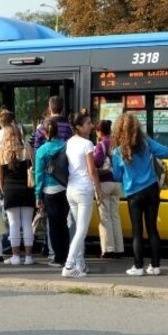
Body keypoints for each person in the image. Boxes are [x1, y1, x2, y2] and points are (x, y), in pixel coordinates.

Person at [110, 112, 168, 276]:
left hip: (133, 193)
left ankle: (138, 267)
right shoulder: (146, 143)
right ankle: (156, 266)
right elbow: (166, 151)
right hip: (152, 189)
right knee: (152, 228)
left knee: (137, 230)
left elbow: (116, 176)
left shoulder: (117, 152)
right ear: (137, 127)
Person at [62, 112, 99, 278]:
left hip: (71, 189)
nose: (91, 126)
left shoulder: (68, 142)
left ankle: (80, 264)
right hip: (84, 189)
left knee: (78, 229)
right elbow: (92, 170)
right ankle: (69, 265)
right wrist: (98, 189)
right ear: (79, 127)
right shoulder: (88, 144)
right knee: (82, 230)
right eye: (88, 123)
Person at [0, 121, 35, 265]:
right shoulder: (27, 149)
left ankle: (16, 256)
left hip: (10, 191)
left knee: (13, 224)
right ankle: (29, 257)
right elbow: (33, 169)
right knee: (27, 224)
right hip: (27, 190)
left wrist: (3, 190)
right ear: (19, 135)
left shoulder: (1, 154)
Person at [33, 117, 70, 268]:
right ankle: (67, 255)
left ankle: (57, 258)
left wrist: (38, 195)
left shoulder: (41, 151)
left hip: (49, 190)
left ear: (44, 133)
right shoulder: (65, 146)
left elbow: (39, 175)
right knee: (64, 223)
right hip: (65, 188)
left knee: (53, 225)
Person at [92, 119, 124, 259]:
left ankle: (109, 249)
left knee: (105, 217)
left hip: (104, 183)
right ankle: (119, 248)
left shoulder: (101, 145)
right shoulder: (117, 143)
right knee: (115, 216)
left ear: (99, 131)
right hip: (117, 183)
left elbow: (97, 162)